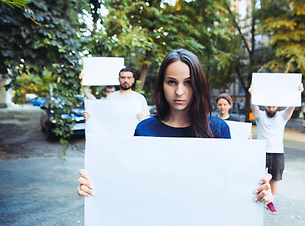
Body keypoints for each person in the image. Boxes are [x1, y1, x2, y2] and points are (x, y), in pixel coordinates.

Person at [78, 49, 273, 209]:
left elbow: (228, 185)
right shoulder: (144, 129)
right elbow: (131, 183)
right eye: (172, 82)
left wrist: (256, 189)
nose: (179, 91)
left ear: (198, 86)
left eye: (188, 83)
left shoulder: (218, 129)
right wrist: (94, 187)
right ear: (161, 85)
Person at [249, 83, 304, 214]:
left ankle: (270, 201)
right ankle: (256, 198)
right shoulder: (259, 115)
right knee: (257, 176)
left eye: (274, 105)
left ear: (277, 106)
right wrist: (252, 93)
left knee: (274, 179)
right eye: (269, 105)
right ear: (265, 106)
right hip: (260, 151)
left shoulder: (282, 116)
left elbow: (292, 106)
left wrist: (298, 92)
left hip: (277, 152)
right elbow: (253, 105)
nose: (271, 107)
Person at [83, 68, 150, 121]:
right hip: (115, 135)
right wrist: (89, 116)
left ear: (133, 80)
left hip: (133, 135)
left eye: (128, 78)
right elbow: (102, 115)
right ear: (119, 79)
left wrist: (144, 117)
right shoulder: (111, 97)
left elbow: (148, 117)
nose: (126, 80)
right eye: (123, 77)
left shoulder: (139, 98)